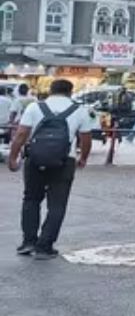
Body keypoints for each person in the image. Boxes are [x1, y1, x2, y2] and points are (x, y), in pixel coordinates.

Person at [7, 78, 94, 260]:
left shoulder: (34, 107)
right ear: (70, 92)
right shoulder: (79, 110)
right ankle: (44, 246)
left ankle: (28, 241)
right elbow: (86, 138)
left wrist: (13, 157)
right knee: (57, 204)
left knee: (31, 199)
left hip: (34, 159)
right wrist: (83, 158)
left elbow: (22, 134)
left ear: (51, 91)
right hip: (64, 161)